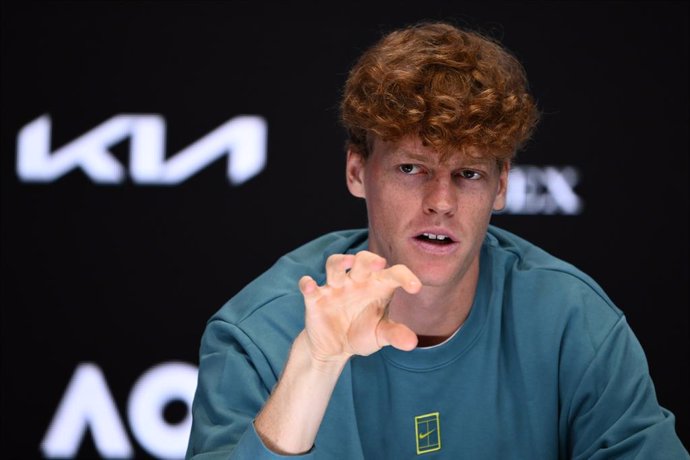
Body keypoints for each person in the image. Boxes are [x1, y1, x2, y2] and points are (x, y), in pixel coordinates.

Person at [185, 21, 689, 459]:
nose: (441, 201)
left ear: (502, 186)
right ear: (357, 171)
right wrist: (316, 364)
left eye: (468, 173)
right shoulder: (256, 333)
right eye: (411, 168)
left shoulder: (573, 321)